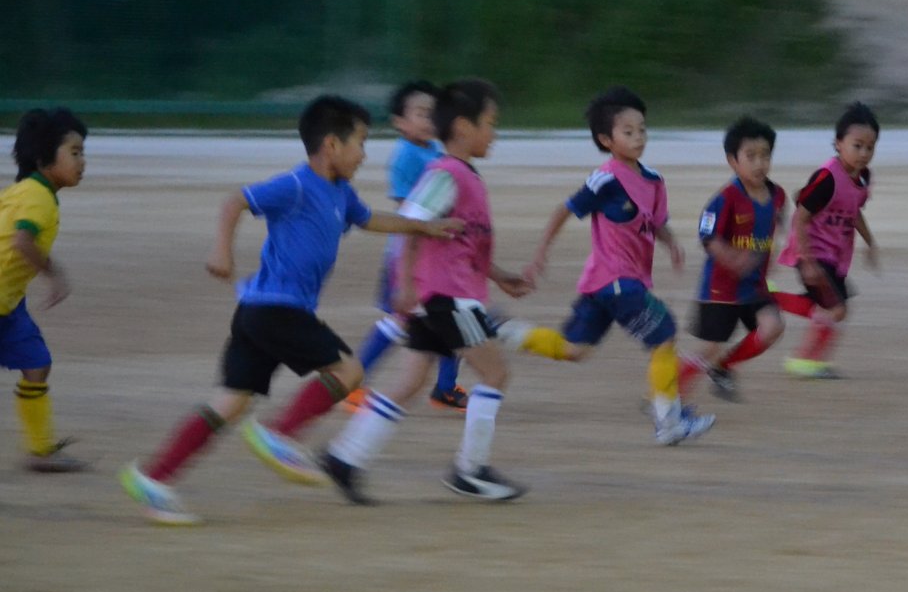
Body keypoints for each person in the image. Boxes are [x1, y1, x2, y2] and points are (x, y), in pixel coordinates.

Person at [117, 95, 460, 525]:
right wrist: (221, 249)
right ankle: (279, 434)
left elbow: (373, 219)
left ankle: (153, 478)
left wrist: (425, 227)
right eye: (360, 142)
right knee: (349, 372)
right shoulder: (296, 185)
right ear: (331, 145)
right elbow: (235, 201)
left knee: (229, 403)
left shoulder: (342, 193)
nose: (365, 153)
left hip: (258, 313)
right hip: (277, 310)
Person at [316, 79, 534, 503]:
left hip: (439, 295)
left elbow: (461, 246)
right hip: (446, 298)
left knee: (412, 379)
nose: (495, 133)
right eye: (490, 123)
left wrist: (499, 274)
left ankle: (344, 457)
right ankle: (469, 471)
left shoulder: (459, 174)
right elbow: (412, 225)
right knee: (495, 373)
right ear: (463, 128)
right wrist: (405, 283)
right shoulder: (447, 173)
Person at [503, 86, 714, 446]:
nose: (638, 138)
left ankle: (501, 330)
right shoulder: (607, 178)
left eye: (642, 129)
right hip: (617, 282)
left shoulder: (653, 180)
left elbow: (654, 221)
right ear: (606, 139)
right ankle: (669, 423)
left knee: (575, 350)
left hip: (605, 287)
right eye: (628, 132)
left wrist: (671, 243)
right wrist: (540, 255)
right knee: (663, 334)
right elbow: (563, 210)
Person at [346, 80, 469, 412]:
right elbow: (408, 209)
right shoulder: (406, 154)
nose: (429, 119)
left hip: (437, 253)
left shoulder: (435, 152)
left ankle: (445, 387)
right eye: (420, 113)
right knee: (400, 322)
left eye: (433, 112)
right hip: (407, 256)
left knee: (455, 316)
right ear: (399, 122)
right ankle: (350, 382)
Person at [0, 108, 89, 472]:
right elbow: (22, 242)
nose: (83, 161)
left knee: (37, 365)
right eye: (74, 152)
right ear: (43, 158)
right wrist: (54, 274)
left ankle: (41, 452)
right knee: (37, 365)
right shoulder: (36, 196)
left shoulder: (30, 192)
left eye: (82, 152)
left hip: (9, 302)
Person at [677, 116, 787, 401]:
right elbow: (707, 235)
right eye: (750, 156)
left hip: (754, 286)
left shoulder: (777, 195)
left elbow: (778, 224)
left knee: (772, 328)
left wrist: (778, 249)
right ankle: (667, 395)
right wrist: (731, 258)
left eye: (765, 155)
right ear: (733, 161)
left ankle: (723, 367)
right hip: (721, 289)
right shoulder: (725, 198)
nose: (759, 163)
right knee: (711, 347)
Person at [774, 102, 880, 379]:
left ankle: (770, 298)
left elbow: (854, 212)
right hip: (812, 251)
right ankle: (805, 361)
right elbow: (801, 217)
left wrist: (871, 243)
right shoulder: (828, 178)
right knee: (836, 309)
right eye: (857, 146)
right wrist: (807, 262)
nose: (864, 154)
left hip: (834, 255)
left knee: (832, 309)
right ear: (838, 143)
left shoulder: (863, 178)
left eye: (870, 147)